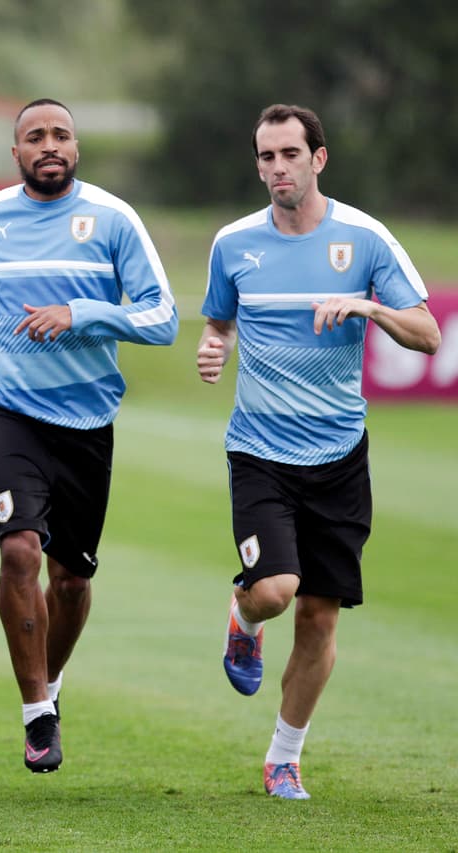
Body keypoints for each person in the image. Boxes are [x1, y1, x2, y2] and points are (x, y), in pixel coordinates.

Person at [197, 104, 440, 800]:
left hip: (339, 454)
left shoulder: (365, 239)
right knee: (276, 590)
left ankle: (284, 756)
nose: (277, 168)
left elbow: (426, 333)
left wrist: (369, 309)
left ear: (319, 159)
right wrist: (216, 347)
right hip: (260, 451)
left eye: (289, 154)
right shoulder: (233, 242)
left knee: (320, 616)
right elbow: (220, 321)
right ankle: (243, 617)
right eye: (266, 157)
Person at [0, 98, 178, 774]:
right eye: (34, 136)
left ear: (77, 147)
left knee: (70, 581)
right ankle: (36, 713)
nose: (49, 144)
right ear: (15, 153)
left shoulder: (113, 220)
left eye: (61, 134)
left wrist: (80, 313)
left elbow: (161, 318)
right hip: (10, 413)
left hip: (88, 423)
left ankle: (47, 683)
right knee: (19, 550)